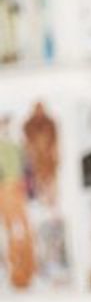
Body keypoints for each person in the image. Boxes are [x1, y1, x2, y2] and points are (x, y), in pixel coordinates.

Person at [0, 112, 33, 288]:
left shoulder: (17, 146)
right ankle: (16, 273)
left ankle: (25, 271)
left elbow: (26, 171)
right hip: (6, 192)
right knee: (12, 231)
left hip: (18, 191)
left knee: (21, 230)